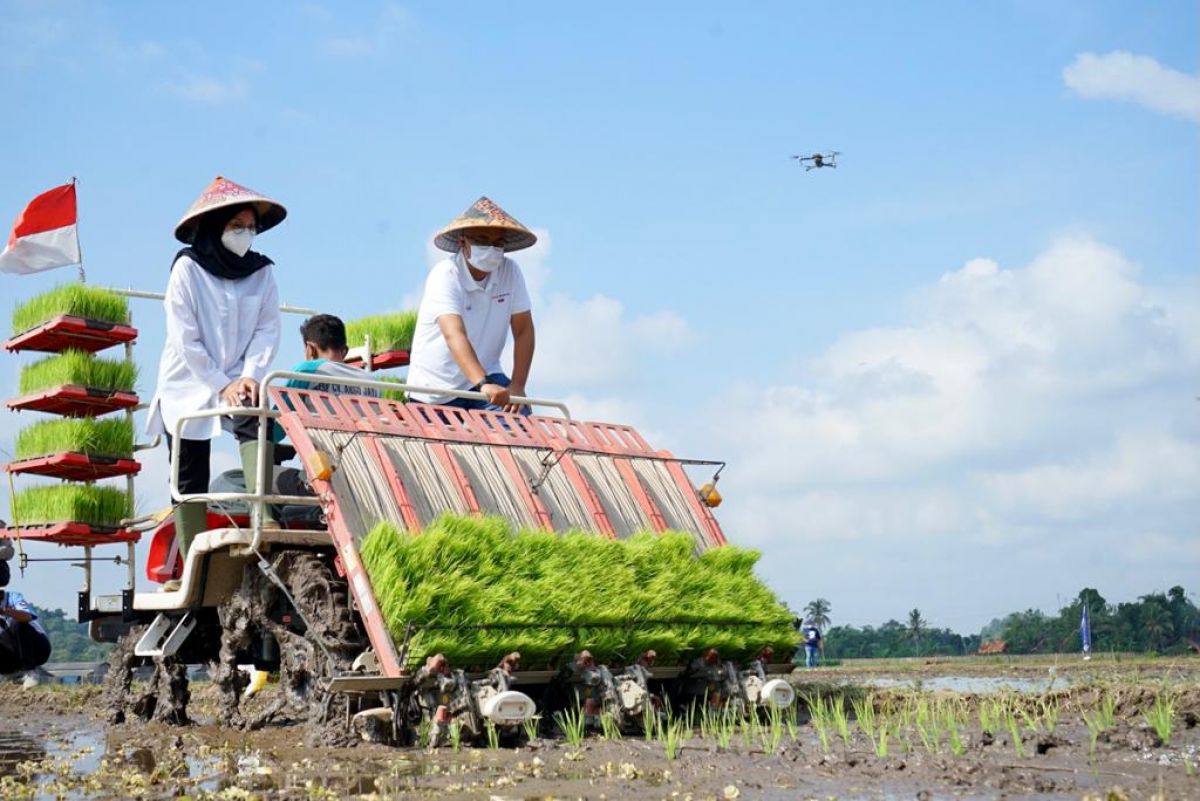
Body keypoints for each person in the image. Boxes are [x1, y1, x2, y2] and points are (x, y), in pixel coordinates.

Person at [145, 176, 287, 566]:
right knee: (188, 464)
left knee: (253, 416)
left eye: (251, 227)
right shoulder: (188, 269)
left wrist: (249, 376)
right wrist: (219, 383)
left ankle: (263, 515)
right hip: (189, 377)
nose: (246, 234)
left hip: (241, 375)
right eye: (237, 226)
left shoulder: (263, 273)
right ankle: (191, 555)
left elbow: (267, 329)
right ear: (215, 226)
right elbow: (183, 336)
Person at [406, 197, 536, 414]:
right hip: (436, 389)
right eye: (482, 240)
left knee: (518, 416)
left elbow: (523, 330)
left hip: (488, 374)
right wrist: (482, 383)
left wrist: (518, 386)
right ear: (462, 242)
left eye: (498, 243)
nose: (491, 249)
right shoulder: (445, 275)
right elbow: (454, 334)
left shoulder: (510, 272)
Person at [0, 560, 52, 676]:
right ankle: (12, 674)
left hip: (37, 649)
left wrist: (4, 611)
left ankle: (29, 670)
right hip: (12, 656)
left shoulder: (12, 597)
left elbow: (26, 616)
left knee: (17, 623)